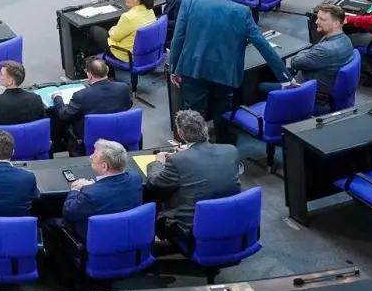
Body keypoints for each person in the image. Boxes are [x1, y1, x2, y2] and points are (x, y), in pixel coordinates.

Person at [167, 0, 288, 120]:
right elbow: (263, 45)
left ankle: (196, 142)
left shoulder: (189, 3)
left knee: (194, 112)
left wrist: (174, 68)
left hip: (193, 68)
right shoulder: (242, 11)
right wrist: (285, 77)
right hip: (225, 70)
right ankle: (224, 139)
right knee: (223, 109)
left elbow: (178, 38)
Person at [43, 140, 144, 266]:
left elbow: (68, 212)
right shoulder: (136, 178)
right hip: (127, 236)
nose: (91, 157)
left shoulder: (91, 193)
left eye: (94, 155)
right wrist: (95, 186)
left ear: (104, 167)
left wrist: (76, 189)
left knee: (48, 223)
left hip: (98, 241)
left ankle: (63, 271)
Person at [145, 111, 241, 239]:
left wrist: (157, 162)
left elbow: (154, 184)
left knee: (155, 195)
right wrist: (191, 151)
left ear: (180, 133)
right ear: (206, 129)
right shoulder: (231, 150)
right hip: (229, 220)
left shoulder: (178, 160)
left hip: (190, 229)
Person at [265, 5, 353, 114]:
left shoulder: (323, 50)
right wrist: (309, 52)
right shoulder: (346, 40)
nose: (316, 22)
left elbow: (295, 63)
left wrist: (308, 52)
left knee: (261, 86)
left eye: (322, 19)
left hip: (309, 93)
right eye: (318, 17)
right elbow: (311, 52)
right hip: (323, 82)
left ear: (336, 23)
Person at [52, 57, 133, 154]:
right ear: (107, 70)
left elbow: (64, 115)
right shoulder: (123, 87)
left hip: (93, 139)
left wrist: (57, 98)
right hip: (120, 133)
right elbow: (128, 105)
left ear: (89, 75)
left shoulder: (81, 96)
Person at [83, 0, 154, 64]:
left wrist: (112, 30)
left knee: (94, 29)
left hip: (126, 54)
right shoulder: (149, 10)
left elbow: (115, 37)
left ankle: (87, 62)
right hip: (144, 51)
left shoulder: (128, 17)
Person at [0, 60, 45, 136]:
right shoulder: (36, 99)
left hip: (3, 146)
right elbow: (43, 125)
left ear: (10, 82)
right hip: (30, 143)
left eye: (1, 74)